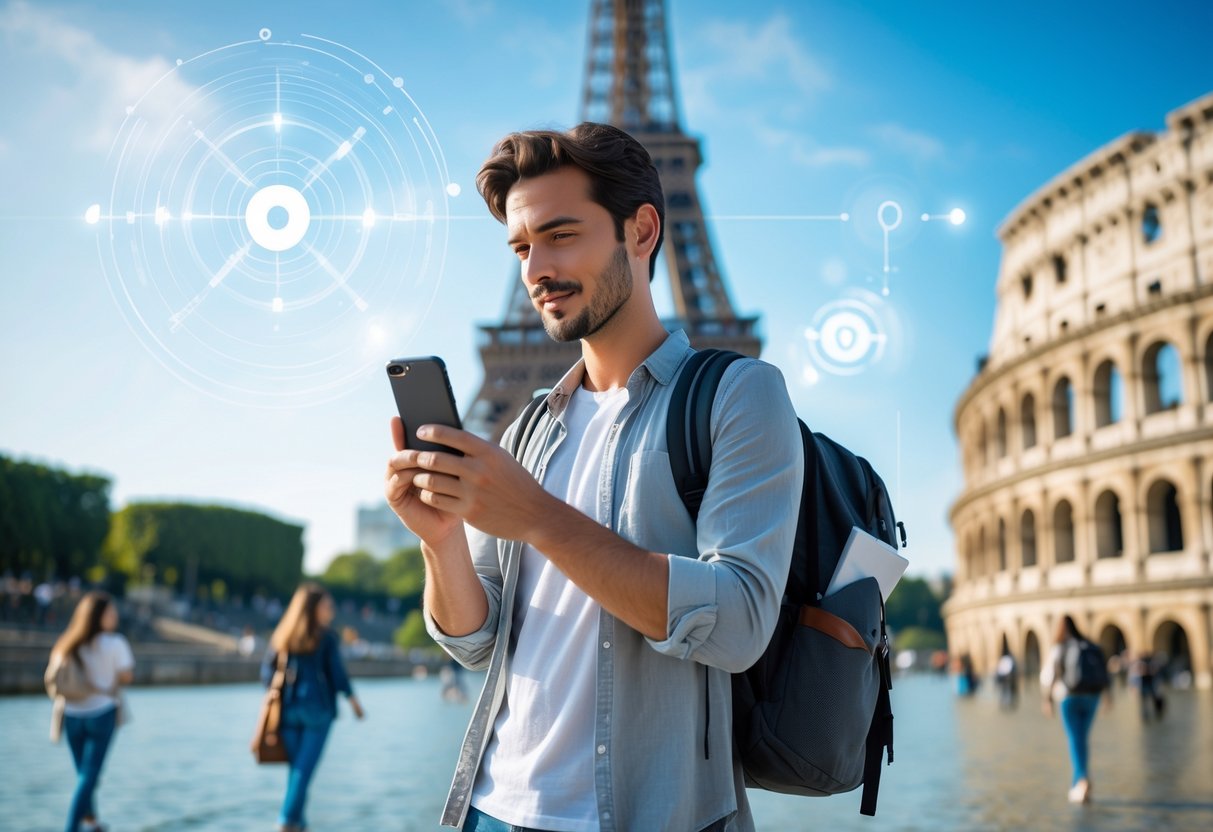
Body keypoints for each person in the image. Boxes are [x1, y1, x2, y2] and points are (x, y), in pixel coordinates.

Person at [385, 122, 802, 831]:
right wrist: (441, 541)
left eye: (561, 235)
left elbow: (737, 625)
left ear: (641, 231)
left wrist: (538, 517)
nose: (536, 269)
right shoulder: (526, 430)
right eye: (522, 247)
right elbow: (475, 642)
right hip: (492, 809)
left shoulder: (738, 395)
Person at [262, 583, 365, 832]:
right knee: (303, 772)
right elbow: (337, 675)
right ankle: (286, 822)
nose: (331, 610)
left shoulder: (283, 635)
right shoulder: (326, 637)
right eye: (327, 606)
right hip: (317, 711)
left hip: (287, 711)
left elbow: (266, 674)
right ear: (313, 608)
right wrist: (354, 703)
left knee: (297, 771)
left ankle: (299, 824)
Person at [50, 590, 134, 832]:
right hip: (102, 713)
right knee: (89, 776)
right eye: (111, 612)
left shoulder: (67, 643)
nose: (115, 616)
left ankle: (91, 823)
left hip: (71, 715)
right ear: (99, 616)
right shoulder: (115, 643)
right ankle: (71, 828)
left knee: (83, 774)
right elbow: (127, 676)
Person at [1040, 615, 1110, 804]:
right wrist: (1107, 696)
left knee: (1074, 739)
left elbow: (1049, 675)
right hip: (1092, 696)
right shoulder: (1089, 645)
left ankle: (1081, 780)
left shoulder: (1060, 647)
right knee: (1082, 738)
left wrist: (1047, 700)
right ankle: (1080, 781)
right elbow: (1103, 671)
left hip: (1068, 697)